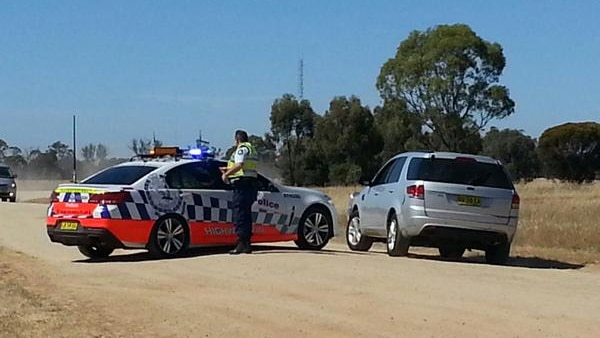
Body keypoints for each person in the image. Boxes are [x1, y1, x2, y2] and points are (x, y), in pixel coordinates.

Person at [221, 130, 259, 254]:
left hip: (242, 185)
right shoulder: (251, 148)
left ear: (237, 140)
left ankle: (241, 244)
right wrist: (229, 169)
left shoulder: (241, 149)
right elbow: (245, 167)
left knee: (240, 214)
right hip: (250, 184)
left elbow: (240, 165)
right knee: (246, 214)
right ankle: (246, 244)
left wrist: (226, 174)